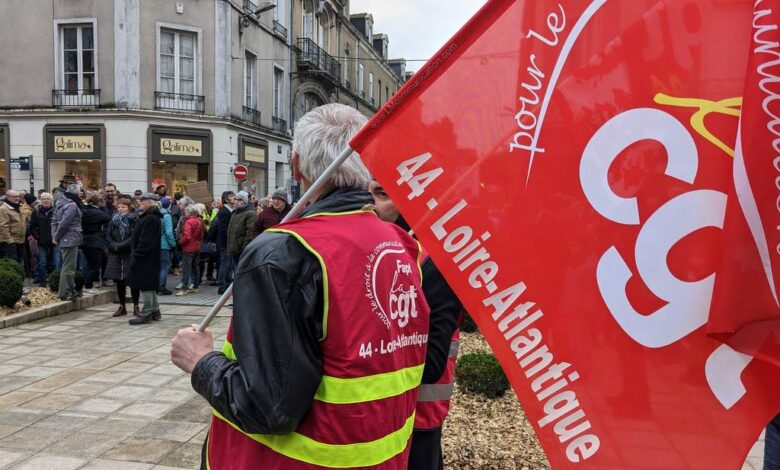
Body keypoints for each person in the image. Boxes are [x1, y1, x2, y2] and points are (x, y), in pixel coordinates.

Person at [171, 103, 431, 469]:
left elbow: (268, 408)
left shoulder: (282, 252)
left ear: (296, 165)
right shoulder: (402, 244)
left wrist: (200, 362)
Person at [369, 179, 463, 470]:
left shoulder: (432, 263)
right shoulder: (377, 251)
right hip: (380, 417)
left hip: (418, 421)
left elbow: (432, 364)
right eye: (369, 192)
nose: (371, 204)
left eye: (382, 194)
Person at [128, 193, 163, 325]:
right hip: (148, 257)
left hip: (146, 258)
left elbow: (146, 241)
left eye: (142, 201)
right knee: (149, 285)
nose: (140, 203)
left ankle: (147, 313)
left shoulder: (150, 218)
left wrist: (137, 254)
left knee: (146, 285)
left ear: (150, 202)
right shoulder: (150, 217)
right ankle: (155, 310)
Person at [105, 198, 139, 317]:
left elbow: (133, 237)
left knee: (133, 281)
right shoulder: (113, 221)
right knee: (119, 282)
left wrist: (120, 246)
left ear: (129, 208)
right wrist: (114, 246)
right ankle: (122, 306)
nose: (121, 209)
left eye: (123, 207)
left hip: (129, 254)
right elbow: (108, 236)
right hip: (116, 255)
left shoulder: (134, 220)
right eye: (119, 207)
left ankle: (136, 306)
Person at [51, 184, 83, 301]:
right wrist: (57, 236)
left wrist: (55, 236)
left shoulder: (60, 203)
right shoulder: (72, 205)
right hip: (71, 238)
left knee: (66, 266)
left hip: (65, 238)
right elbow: (65, 223)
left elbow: (54, 221)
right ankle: (69, 291)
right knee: (69, 267)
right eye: (80, 192)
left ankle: (64, 292)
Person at [81, 191, 111, 292]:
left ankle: (89, 283)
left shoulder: (83, 210)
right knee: (95, 265)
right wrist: (103, 207)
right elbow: (107, 218)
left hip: (84, 240)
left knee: (92, 263)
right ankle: (87, 285)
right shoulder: (97, 212)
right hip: (95, 241)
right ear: (98, 202)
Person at [29, 192, 57, 286]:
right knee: (42, 263)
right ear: (40, 200)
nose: (46, 200)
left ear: (51, 200)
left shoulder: (56, 211)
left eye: (48, 199)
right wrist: (38, 237)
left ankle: (54, 283)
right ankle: (43, 282)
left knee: (55, 263)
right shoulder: (36, 212)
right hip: (41, 243)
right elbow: (32, 227)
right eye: (44, 199)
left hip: (55, 242)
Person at [176, 205, 204, 296]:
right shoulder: (199, 221)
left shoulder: (188, 222)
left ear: (189, 212)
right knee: (195, 267)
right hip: (197, 247)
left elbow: (187, 236)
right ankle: (195, 286)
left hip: (188, 248)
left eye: (186, 212)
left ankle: (184, 288)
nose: (185, 213)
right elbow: (201, 236)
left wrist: (180, 242)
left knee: (186, 268)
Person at [226, 190, 255, 265]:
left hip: (241, 251)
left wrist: (244, 249)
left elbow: (250, 234)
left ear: (245, 201)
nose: (236, 201)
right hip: (234, 249)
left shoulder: (250, 213)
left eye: (239, 200)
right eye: (235, 199)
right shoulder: (235, 212)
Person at [215, 191, 235, 294]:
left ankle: (228, 284)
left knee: (229, 264)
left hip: (229, 242)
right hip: (225, 243)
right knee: (225, 264)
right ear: (226, 200)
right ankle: (222, 286)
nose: (234, 197)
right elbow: (223, 230)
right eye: (231, 196)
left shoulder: (231, 210)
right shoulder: (224, 212)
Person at [0, 189, 26, 262]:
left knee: (20, 262)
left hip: (20, 241)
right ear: (8, 197)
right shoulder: (3, 209)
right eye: (14, 196)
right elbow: (3, 227)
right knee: (13, 262)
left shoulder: (18, 207)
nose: (17, 198)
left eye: (18, 196)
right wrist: (10, 241)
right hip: (10, 242)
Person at [159, 197, 176, 295]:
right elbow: (169, 233)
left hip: (155, 244)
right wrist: (173, 245)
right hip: (164, 244)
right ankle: (161, 287)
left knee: (158, 266)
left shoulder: (157, 214)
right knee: (165, 266)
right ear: (169, 205)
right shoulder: (167, 216)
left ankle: (156, 286)